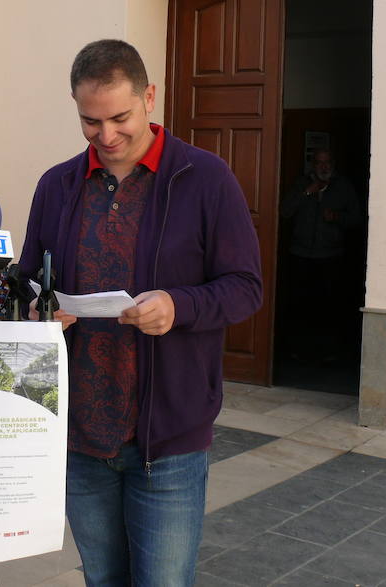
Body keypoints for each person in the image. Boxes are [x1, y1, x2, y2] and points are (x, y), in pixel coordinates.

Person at [18, 40, 263, 586]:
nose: (106, 136)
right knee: (102, 580)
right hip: (79, 432)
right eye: (90, 121)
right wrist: (36, 307)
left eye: (120, 117)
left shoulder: (205, 177)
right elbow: (30, 276)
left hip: (167, 436)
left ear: (149, 97)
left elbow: (245, 288)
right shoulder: (57, 185)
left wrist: (180, 304)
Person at [279, 148, 362, 362]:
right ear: (313, 165)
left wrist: (336, 216)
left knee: (328, 306)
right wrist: (307, 191)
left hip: (331, 256)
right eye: (319, 162)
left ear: (333, 163)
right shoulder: (301, 184)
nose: (323, 167)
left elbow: (357, 219)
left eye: (327, 162)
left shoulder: (343, 186)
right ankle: (298, 351)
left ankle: (328, 353)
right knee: (299, 304)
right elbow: (284, 211)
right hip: (300, 255)